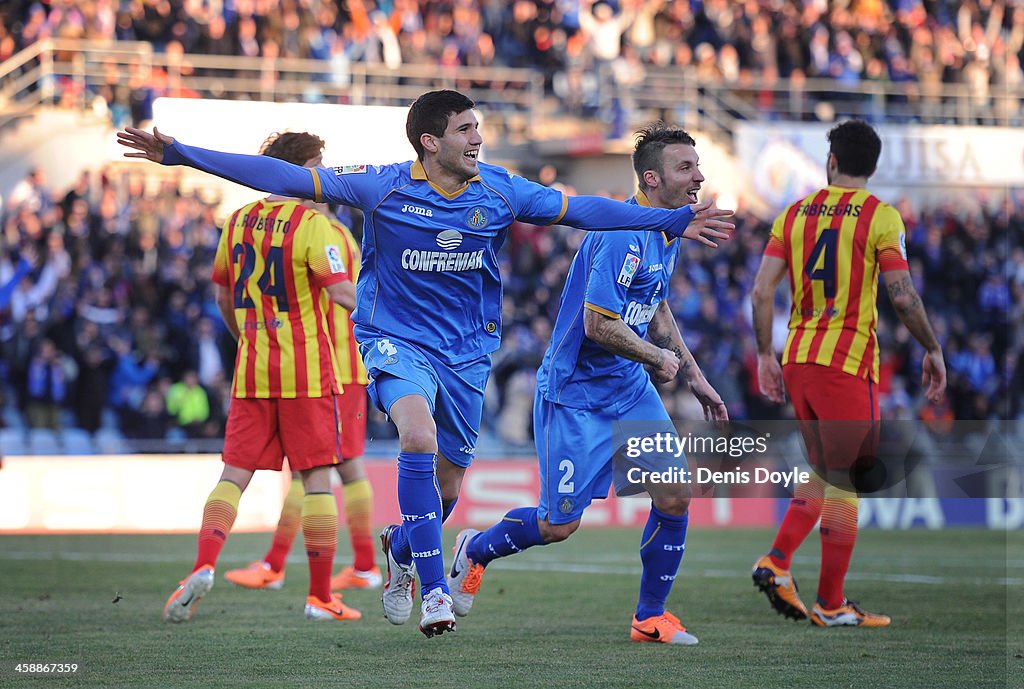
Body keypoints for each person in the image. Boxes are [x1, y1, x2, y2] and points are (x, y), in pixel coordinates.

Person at [118, 89, 734, 637]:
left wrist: (671, 220)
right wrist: (182, 154)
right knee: (417, 434)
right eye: (466, 130)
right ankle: (434, 590)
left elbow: (583, 210)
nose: (478, 139)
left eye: (478, 129)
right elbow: (273, 174)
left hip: (466, 354)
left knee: (446, 488)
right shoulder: (380, 184)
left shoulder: (499, 189)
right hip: (394, 341)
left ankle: (402, 548)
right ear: (430, 141)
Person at [444, 124, 729, 646]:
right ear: (652, 177)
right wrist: (655, 355)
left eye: (697, 166)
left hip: (628, 390)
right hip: (574, 396)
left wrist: (693, 374)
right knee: (558, 526)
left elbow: (654, 301)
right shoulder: (622, 234)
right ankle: (475, 550)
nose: (698, 177)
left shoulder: (667, 229)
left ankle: (650, 616)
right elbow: (600, 325)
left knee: (675, 494)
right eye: (686, 168)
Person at [750, 119, 946, 628]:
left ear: (830, 161)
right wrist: (932, 347)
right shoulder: (881, 217)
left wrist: (764, 355)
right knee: (846, 483)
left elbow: (760, 291)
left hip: (797, 358)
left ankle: (781, 564)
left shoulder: (792, 214)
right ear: (873, 167)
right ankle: (825, 599)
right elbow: (902, 295)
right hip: (845, 362)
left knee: (825, 476)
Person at [161, 133, 361, 624]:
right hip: (308, 374)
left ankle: (202, 565)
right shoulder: (314, 226)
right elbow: (344, 297)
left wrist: (244, 337)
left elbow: (224, 296)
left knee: (232, 476)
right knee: (316, 481)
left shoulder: (236, 222)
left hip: (252, 370)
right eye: (318, 166)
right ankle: (319, 597)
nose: (323, 178)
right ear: (300, 168)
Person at [222, 132, 381, 593]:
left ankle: (348, 565)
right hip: (338, 364)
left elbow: (343, 296)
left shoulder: (320, 228)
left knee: (326, 467)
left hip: (330, 366)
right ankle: (324, 564)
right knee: (325, 468)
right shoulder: (333, 229)